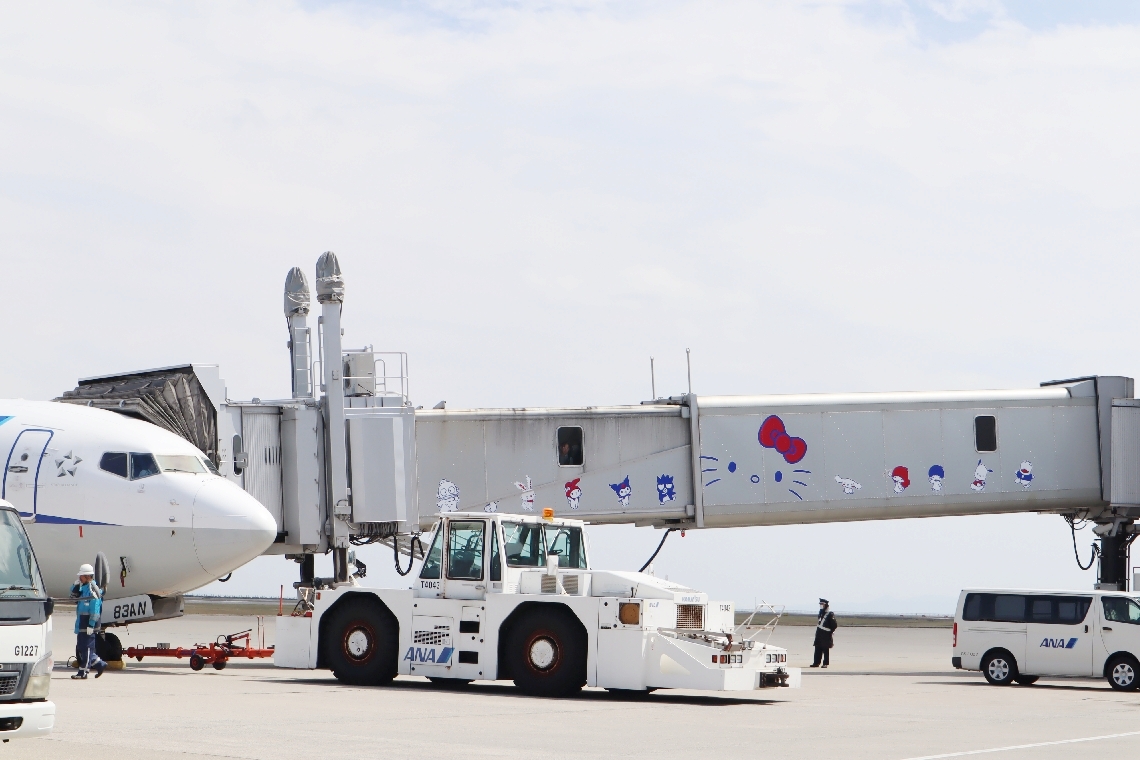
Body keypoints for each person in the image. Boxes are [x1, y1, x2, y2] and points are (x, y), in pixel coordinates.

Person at [70, 563, 106, 679]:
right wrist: (75, 585)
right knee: (81, 647)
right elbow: (73, 597)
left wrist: (91, 624)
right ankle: (100, 664)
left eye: (81, 576)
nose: (79, 578)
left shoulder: (93, 590)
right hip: (82, 622)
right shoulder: (83, 588)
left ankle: (83, 672)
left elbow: (95, 610)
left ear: (87, 576)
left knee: (87, 648)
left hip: (89, 624)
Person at [810, 598, 838, 669]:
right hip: (819, 633)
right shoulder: (821, 612)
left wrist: (830, 632)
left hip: (826, 634)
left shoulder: (830, 614)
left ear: (826, 605)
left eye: (822, 604)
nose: (821, 605)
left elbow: (834, 625)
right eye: (820, 604)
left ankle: (825, 663)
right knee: (817, 647)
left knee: (825, 649)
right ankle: (816, 662)